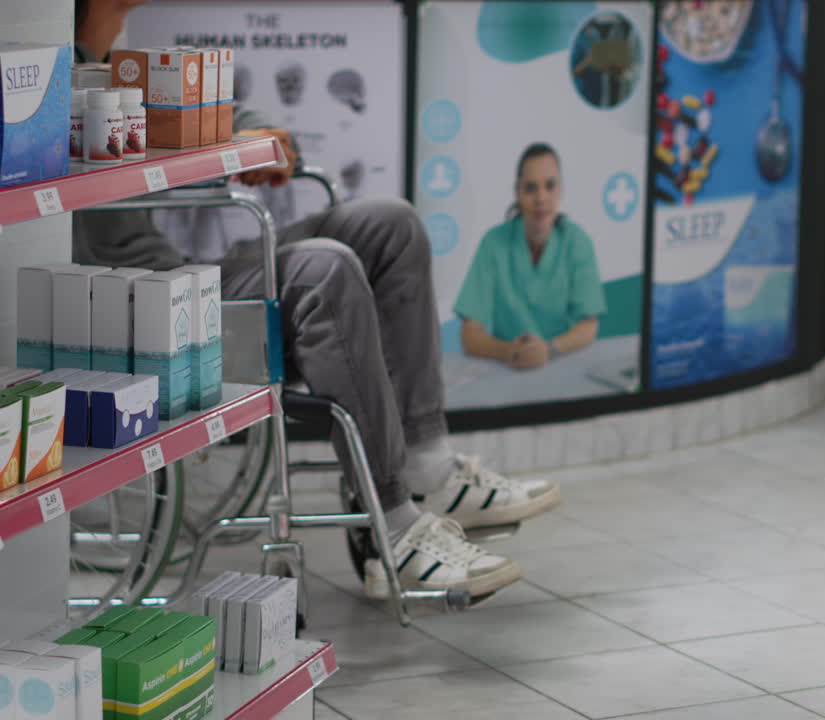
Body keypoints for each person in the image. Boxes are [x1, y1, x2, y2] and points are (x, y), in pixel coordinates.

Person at [73, 0, 561, 601]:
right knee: (323, 270)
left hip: (181, 272)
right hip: (134, 303)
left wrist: (258, 137)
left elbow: (216, 111)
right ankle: (393, 519)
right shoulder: (65, 84)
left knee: (390, 223)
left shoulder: (119, 69)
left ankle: (426, 457)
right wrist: (227, 146)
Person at [456, 143, 607, 370]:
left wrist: (548, 349)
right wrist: (509, 352)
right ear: (517, 192)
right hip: (506, 369)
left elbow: (589, 326)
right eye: (530, 188)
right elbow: (469, 334)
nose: (541, 198)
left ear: (561, 190)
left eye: (550, 186)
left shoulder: (577, 241)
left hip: (562, 364)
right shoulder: (493, 243)